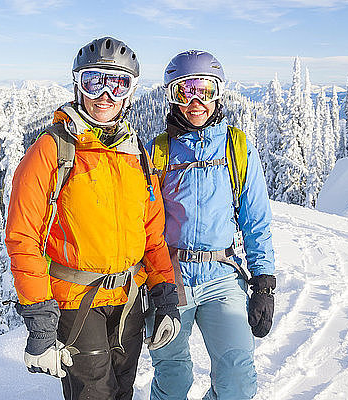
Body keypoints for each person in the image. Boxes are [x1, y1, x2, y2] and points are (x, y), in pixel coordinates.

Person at [5, 37, 181, 400]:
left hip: (128, 300)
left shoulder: (136, 154)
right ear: (77, 85)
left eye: (117, 84)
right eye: (93, 81)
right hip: (77, 302)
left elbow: (153, 235)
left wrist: (165, 296)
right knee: (94, 394)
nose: (105, 95)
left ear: (130, 93)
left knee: (122, 390)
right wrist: (39, 320)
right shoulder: (53, 150)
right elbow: (23, 237)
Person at [145, 50, 276, 399]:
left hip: (222, 275)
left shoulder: (237, 147)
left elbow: (255, 218)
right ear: (172, 98)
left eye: (204, 90)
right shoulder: (158, 151)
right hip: (171, 277)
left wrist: (263, 283)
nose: (195, 102)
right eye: (183, 92)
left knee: (237, 376)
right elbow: (143, 223)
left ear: (218, 94)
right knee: (172, 374)